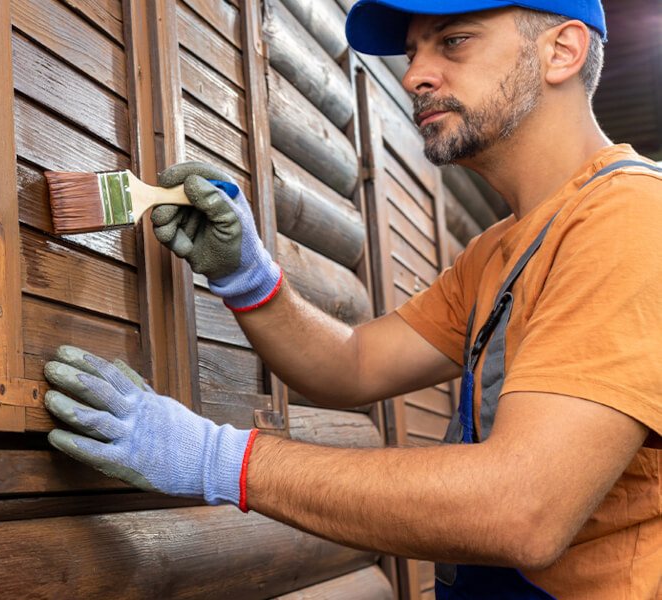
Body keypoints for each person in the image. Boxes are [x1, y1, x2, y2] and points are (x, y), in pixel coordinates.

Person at [41, 1, 662, 597]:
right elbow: (356, 363)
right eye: (414, 51)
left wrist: (214, 458)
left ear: (562, 51)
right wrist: (249, 280)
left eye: (454, 40)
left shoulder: (630, 219)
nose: (416, 74)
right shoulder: (499, 249)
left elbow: (523, 509)